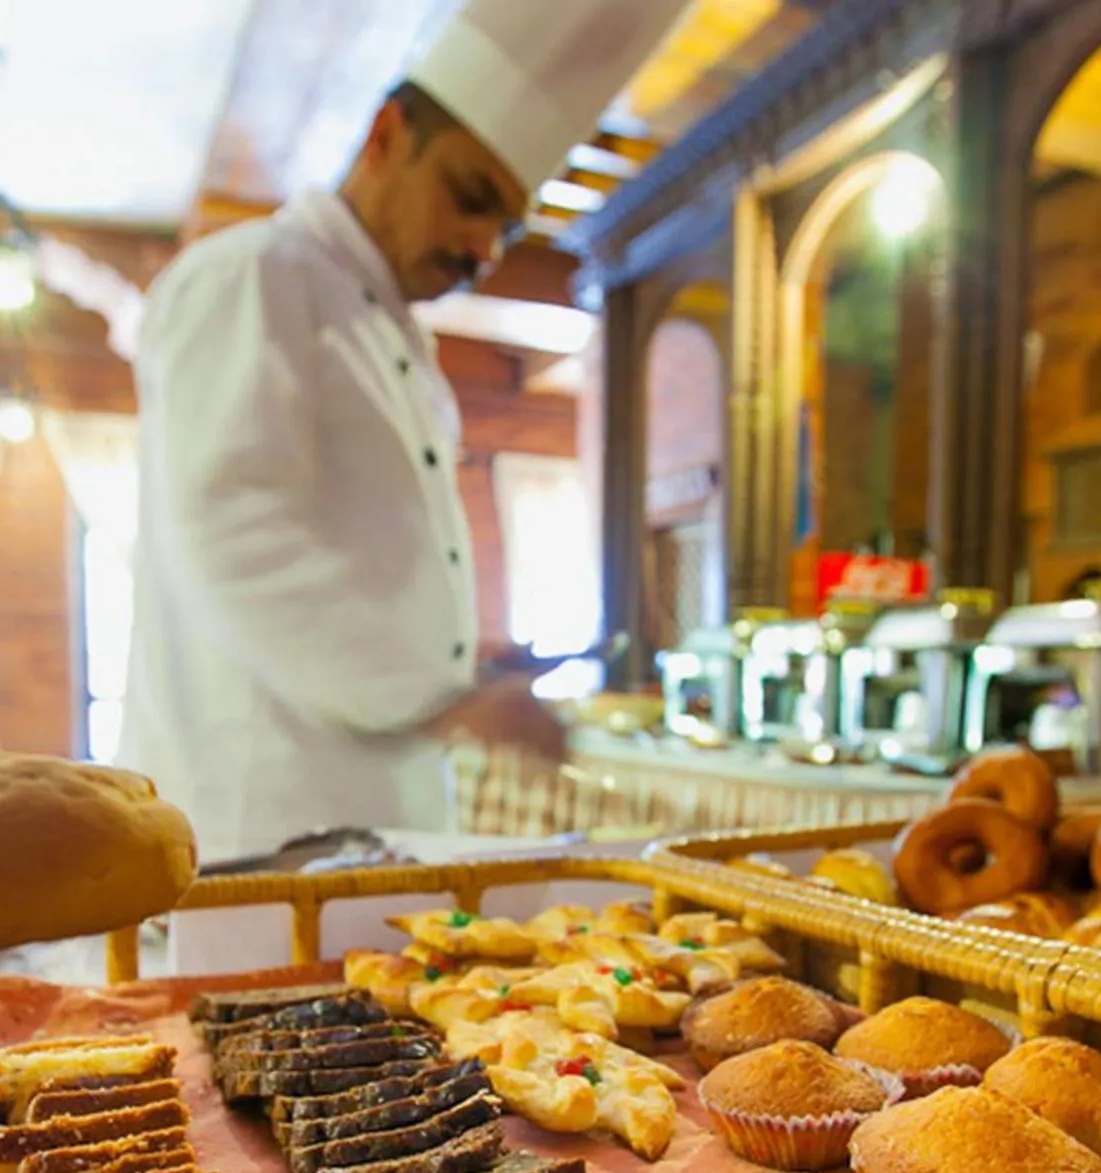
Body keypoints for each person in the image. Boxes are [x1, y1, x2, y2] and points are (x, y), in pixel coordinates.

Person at [119, 1, 691, 860]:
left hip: (371, 831)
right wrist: (447, 699)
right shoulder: (254, 276)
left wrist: (469, 661)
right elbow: (234, 528)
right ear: (385, 135)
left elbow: (357, 558)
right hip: (262, 831)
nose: (481, 248)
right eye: (469, 198)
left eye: (503, 228)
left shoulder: (396, 340)